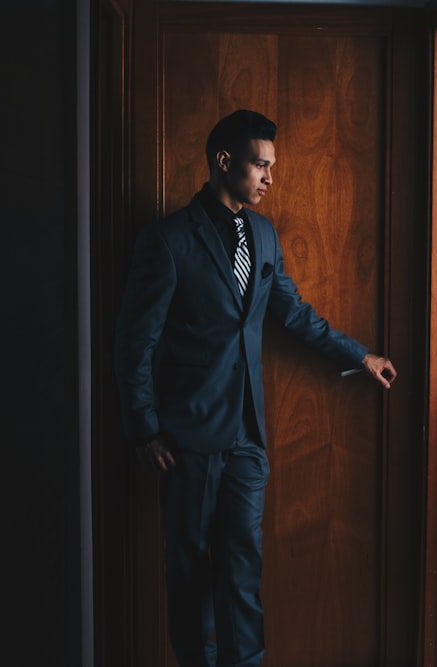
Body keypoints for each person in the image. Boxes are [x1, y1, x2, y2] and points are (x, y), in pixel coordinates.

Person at [113, 109, 397, 667]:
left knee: (243, 569)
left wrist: (359, 355)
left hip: (248, 441)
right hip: (187, 442)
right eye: (259, 165)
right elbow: (134, 344)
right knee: (190, 574)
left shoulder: (263, 235)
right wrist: (144, 430)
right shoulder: (167, 241)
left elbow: (292, 313)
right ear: (224, 162)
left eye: (272, 167)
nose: (270, 178)